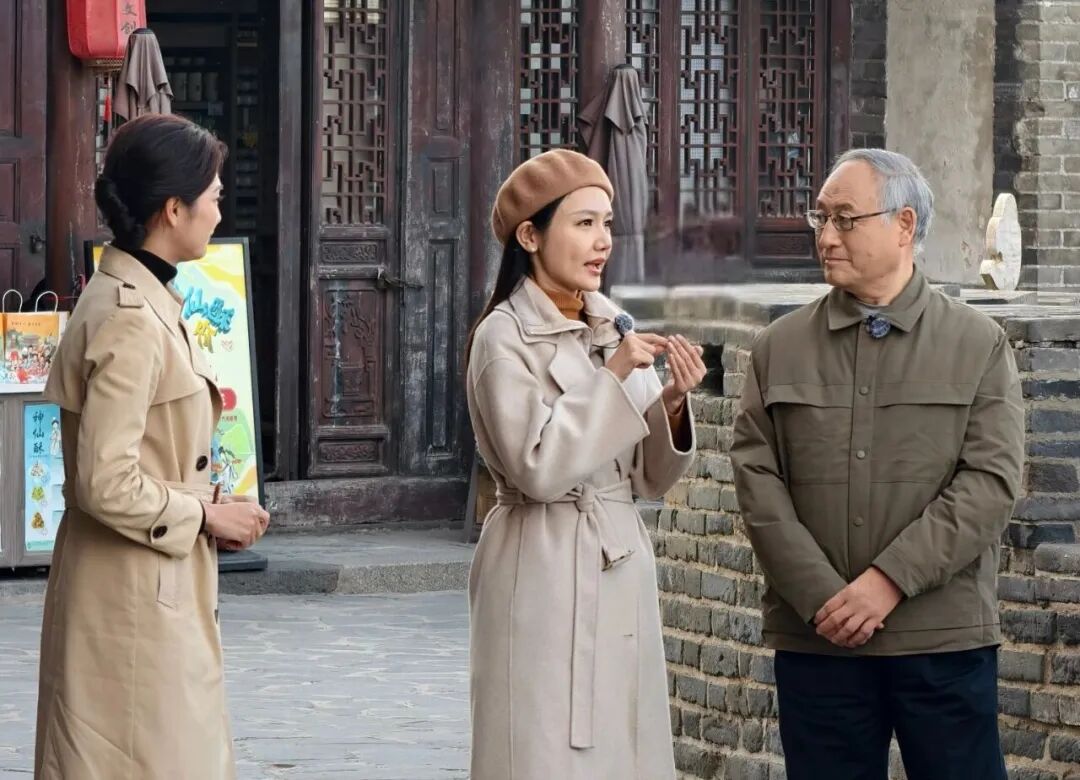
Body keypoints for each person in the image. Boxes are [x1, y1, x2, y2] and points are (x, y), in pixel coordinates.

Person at [731, 148, 1024, 780]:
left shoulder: (976, 344)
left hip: (942, 639)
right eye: (821, 218)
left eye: (845, 218)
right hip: (820, 639)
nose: (826, 236)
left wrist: (887, 582)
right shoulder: (780, 348)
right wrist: (823, 597)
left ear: (904, 225)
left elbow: (990, 484)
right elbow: (758, 484)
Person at [34, 114, 270, 779]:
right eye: (213, 196)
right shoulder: (129, 317)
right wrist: (206, 515)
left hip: (145, 581)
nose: (220, 212)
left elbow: (146, 457)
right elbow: (103, 481)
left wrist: (210, 505)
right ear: (173, 209)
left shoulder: (145, 296)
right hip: (130, 597)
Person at [465, 149, 706, 779]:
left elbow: (648, 478)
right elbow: (538, 468)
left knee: (626, 746)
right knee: (541, 747)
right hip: (541, 562)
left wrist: (671, 404)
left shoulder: (610, 325)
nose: (602, 242)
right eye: (583, 224)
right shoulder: (503, 337)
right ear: (530, 236)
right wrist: (615, 375)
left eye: (607, 224)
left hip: (619, 559)